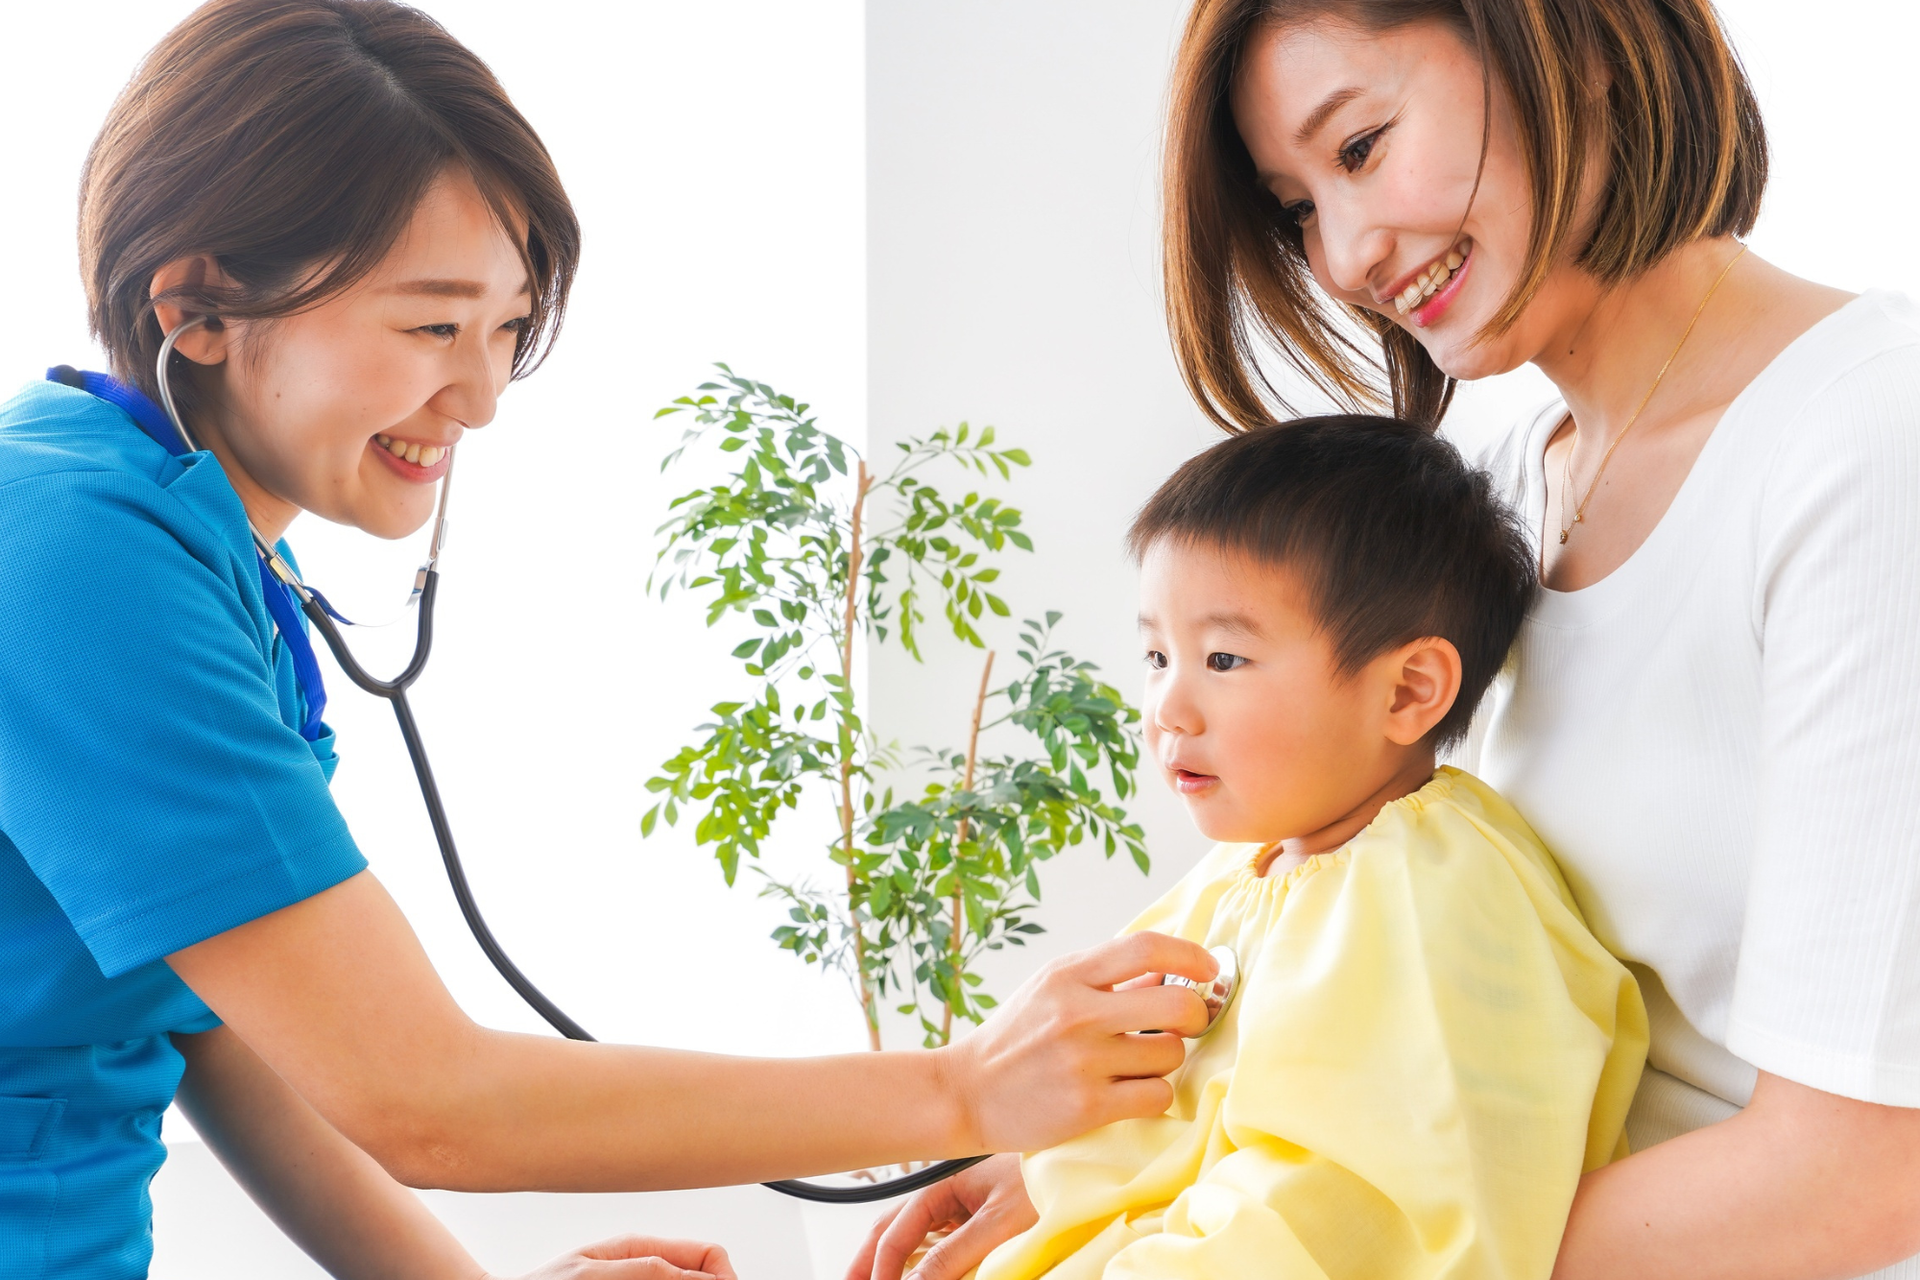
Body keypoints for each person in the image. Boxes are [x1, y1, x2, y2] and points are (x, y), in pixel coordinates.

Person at [0, 3, 1222, 1277]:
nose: (478, 398)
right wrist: (965, 1088)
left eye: (509, 330)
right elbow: (420, 1095)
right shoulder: (70, 555)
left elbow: (232, 1027)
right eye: (431, 326)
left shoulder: (189, 547)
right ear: (197, 306)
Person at [853, 1, 1920, 1277]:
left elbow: (1865, 1170)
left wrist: (1311, 1239)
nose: (1347, 254)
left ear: (1566, 45)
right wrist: (1084, 1171)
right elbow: (1348, 961)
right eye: (1297, 208)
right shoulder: (1497, 484)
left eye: (1358, 146)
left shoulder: (1867, 441)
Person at [977, 416, 1646, 1278]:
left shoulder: (1428, 898)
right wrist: (1029, 1170)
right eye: (1155, 655)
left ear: (1407, 690)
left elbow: (1341, 1213)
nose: (1167, 708)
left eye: (1222, 659)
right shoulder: (1250, 869)